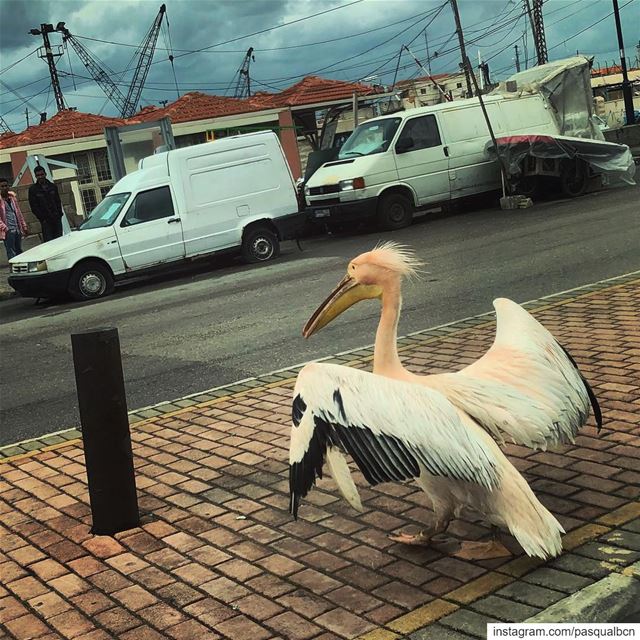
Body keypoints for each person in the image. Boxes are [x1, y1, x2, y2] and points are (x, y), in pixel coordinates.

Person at [28, 165, 63, 242]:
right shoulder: (33, 190)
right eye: (38, 175)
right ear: (35, 176)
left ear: (45, 174)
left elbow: (58, 201)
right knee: (49, 243)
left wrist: (59, 214)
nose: (40, 177)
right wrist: (42, 219)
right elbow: (34, 207)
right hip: (46, 221)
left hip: (56, 219)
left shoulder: (52, 186)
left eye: (41, 174)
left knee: (60, 241)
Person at [0, 177, 29, 260]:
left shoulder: (12, 198)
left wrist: (24, 226)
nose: (5, 188)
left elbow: (18, 213)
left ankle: (22, 268)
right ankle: (14, 269)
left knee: (19, 250)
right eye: (2, 186)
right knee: (11, 251)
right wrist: (5, 228)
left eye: (6, 186)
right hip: (8, 230)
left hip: (17, 228)